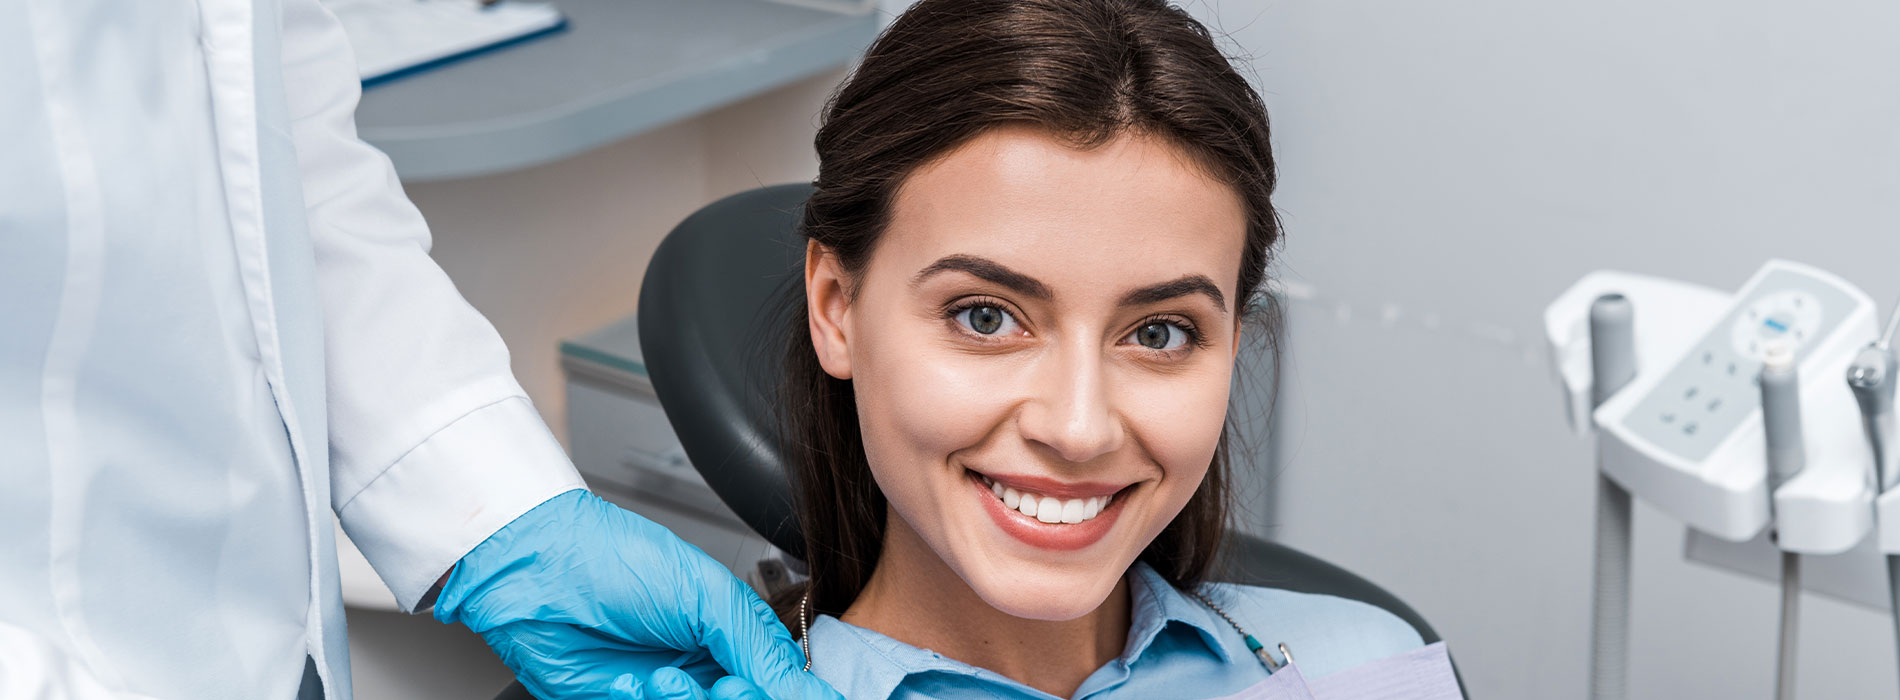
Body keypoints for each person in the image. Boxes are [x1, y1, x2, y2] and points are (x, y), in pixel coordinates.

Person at [1, 1, 837, 699]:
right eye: (968, 316)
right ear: (831, 307)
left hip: (250, 634)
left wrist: (501, 519)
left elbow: (269, 147)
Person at [762, 0, 1464, 698]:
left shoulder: (1362, 667)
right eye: (985, 318)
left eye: (1159, 333)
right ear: (836, 307)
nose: (1078, 430)